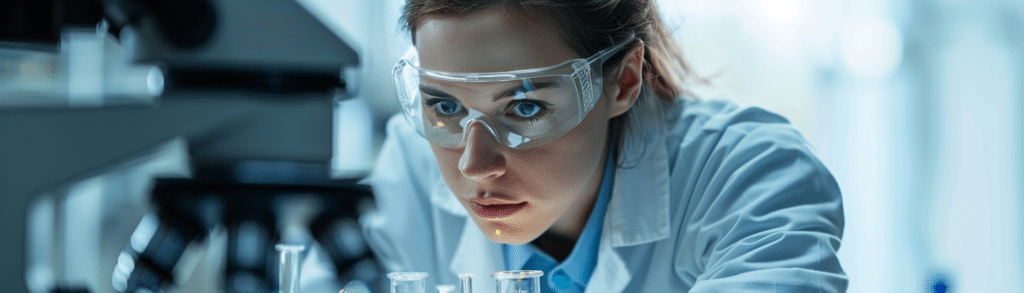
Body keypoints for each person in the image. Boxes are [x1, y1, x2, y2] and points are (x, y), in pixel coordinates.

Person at [361, 0, 847, 292]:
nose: (473, 165)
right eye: (444, 107)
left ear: (624, 81)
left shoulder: (751, 177)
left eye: (525, 108)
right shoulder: (407, 169)